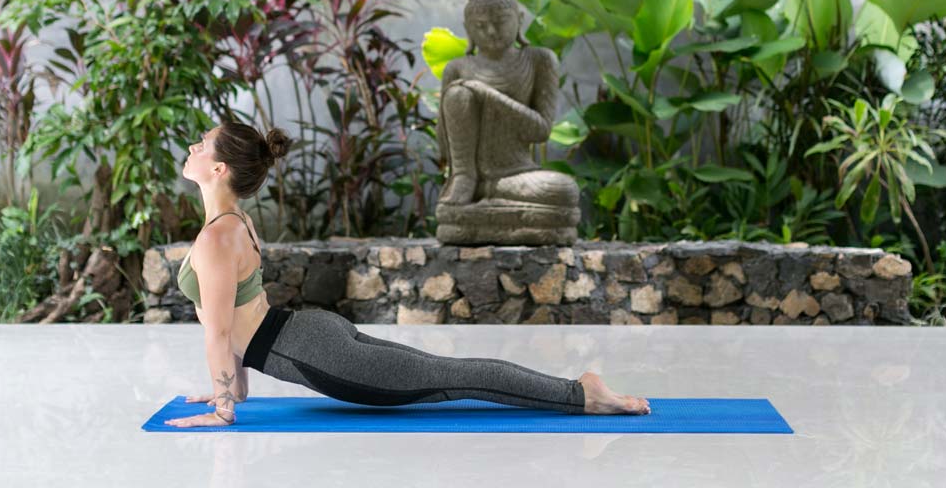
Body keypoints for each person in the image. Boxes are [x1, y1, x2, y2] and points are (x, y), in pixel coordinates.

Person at [165, 120, 651, 427]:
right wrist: (234, 390)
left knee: (453, 379)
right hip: (306, 334)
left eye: (201, 145)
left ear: (220, 168)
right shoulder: (233, 224)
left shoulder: (216, 237)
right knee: (449, 373)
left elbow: (221, 332)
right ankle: (579, 390)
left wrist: (223, 409)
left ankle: (581, 394)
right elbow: (238, 316)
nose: (192, 148)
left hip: (310, 348)